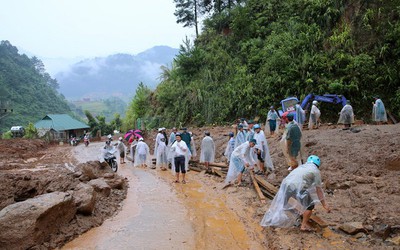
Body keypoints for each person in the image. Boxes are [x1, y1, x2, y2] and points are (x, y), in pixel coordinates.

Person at [260, 155, 331, 231]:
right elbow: (318, 190)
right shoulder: (315, 171)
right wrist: (324, 205)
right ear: (318, 165)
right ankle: (303, 226)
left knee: (288, 199)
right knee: (310, 206)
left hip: (286, 184)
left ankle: (282, 215)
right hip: (297, 187)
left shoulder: (302, 167)